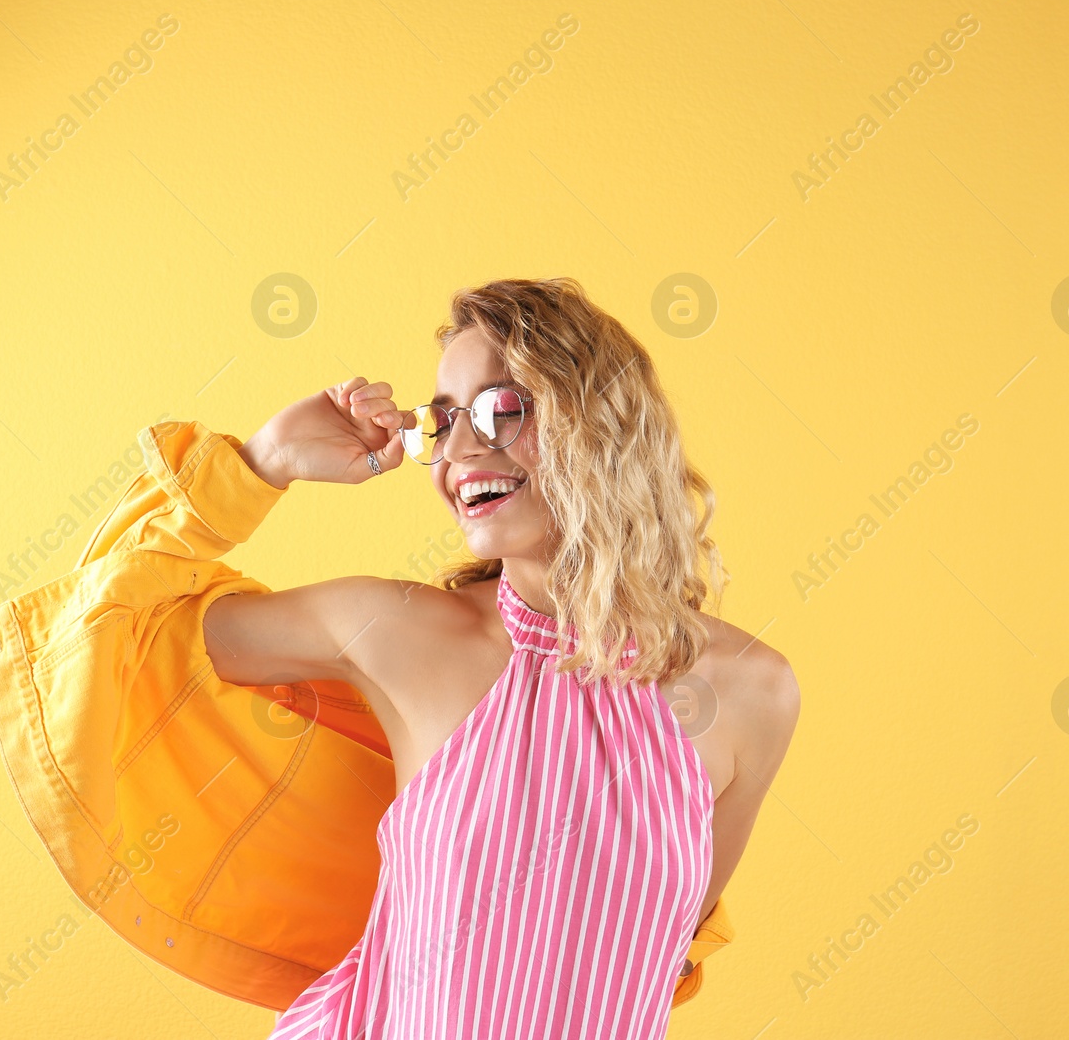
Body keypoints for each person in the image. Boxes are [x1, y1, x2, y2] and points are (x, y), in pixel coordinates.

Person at [200, 277, 802, 1037]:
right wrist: (265, 460)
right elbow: (138, 629)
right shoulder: (393, 632)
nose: (456, 450)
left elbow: (655, 954)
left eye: (500, 408)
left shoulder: (755, 692)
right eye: (443, 420)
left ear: (603, 422)